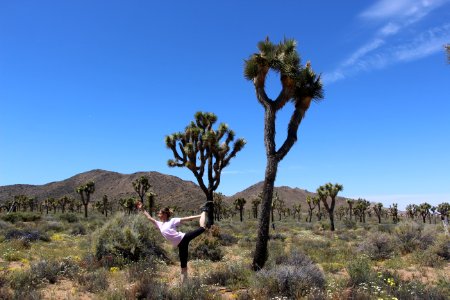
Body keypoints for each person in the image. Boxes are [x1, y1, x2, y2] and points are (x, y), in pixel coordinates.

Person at [136, 201, 208, 282]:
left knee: (202, 228)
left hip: (184, 237)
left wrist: (199, 216)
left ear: (165, 214)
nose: (158, 215)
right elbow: (149, 218)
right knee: (183, 265)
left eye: (159, 213)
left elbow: (187, 218)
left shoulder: (172, 221)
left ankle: (204, 211)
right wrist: (142, 209)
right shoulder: (159, 224)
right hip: (180, 245)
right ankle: (184, 284)